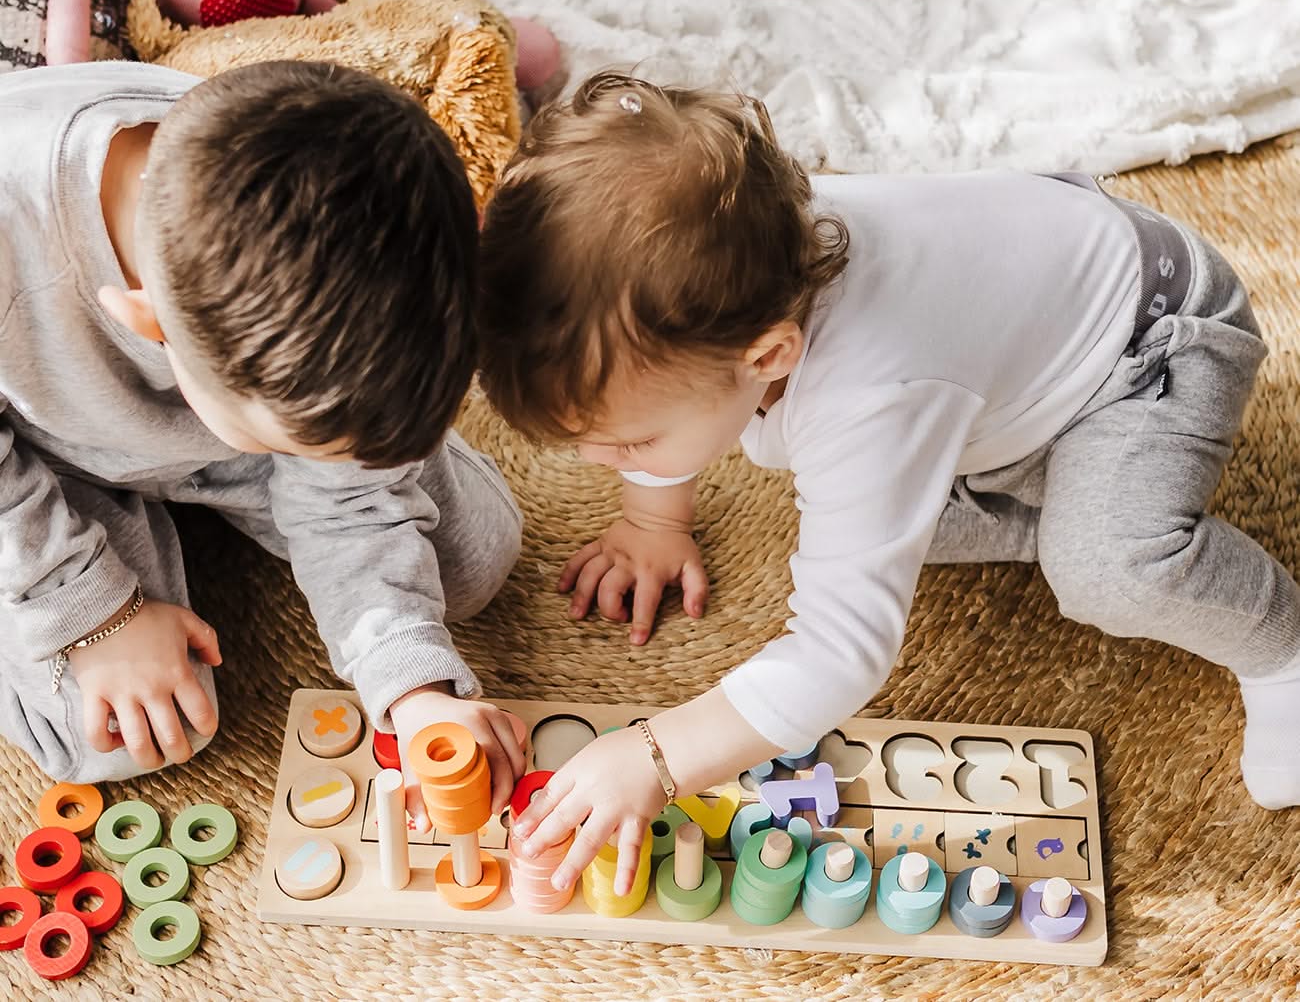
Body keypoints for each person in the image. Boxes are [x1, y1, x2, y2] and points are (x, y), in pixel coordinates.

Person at [476, 70, 1300, 896]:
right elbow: (663, 395)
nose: (603, 463)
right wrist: (654, 518)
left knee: (1110, 570)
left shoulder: (872, 391)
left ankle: (1285, 654)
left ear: (768, 357)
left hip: (1152, 346)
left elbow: (841, 654)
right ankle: (1056, 518)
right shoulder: (726, 261)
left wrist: (655, 754)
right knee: (887, 522)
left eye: (632, 443)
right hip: (1011, 356)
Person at [0, 60, 525, 822]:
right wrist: (94, 614)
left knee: (472, 562)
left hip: (224, 408)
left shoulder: (298, 195)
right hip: (38, 449)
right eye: (312, 442)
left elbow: (351, 497)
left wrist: (414, 695)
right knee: (119, 736)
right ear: (151, 327)